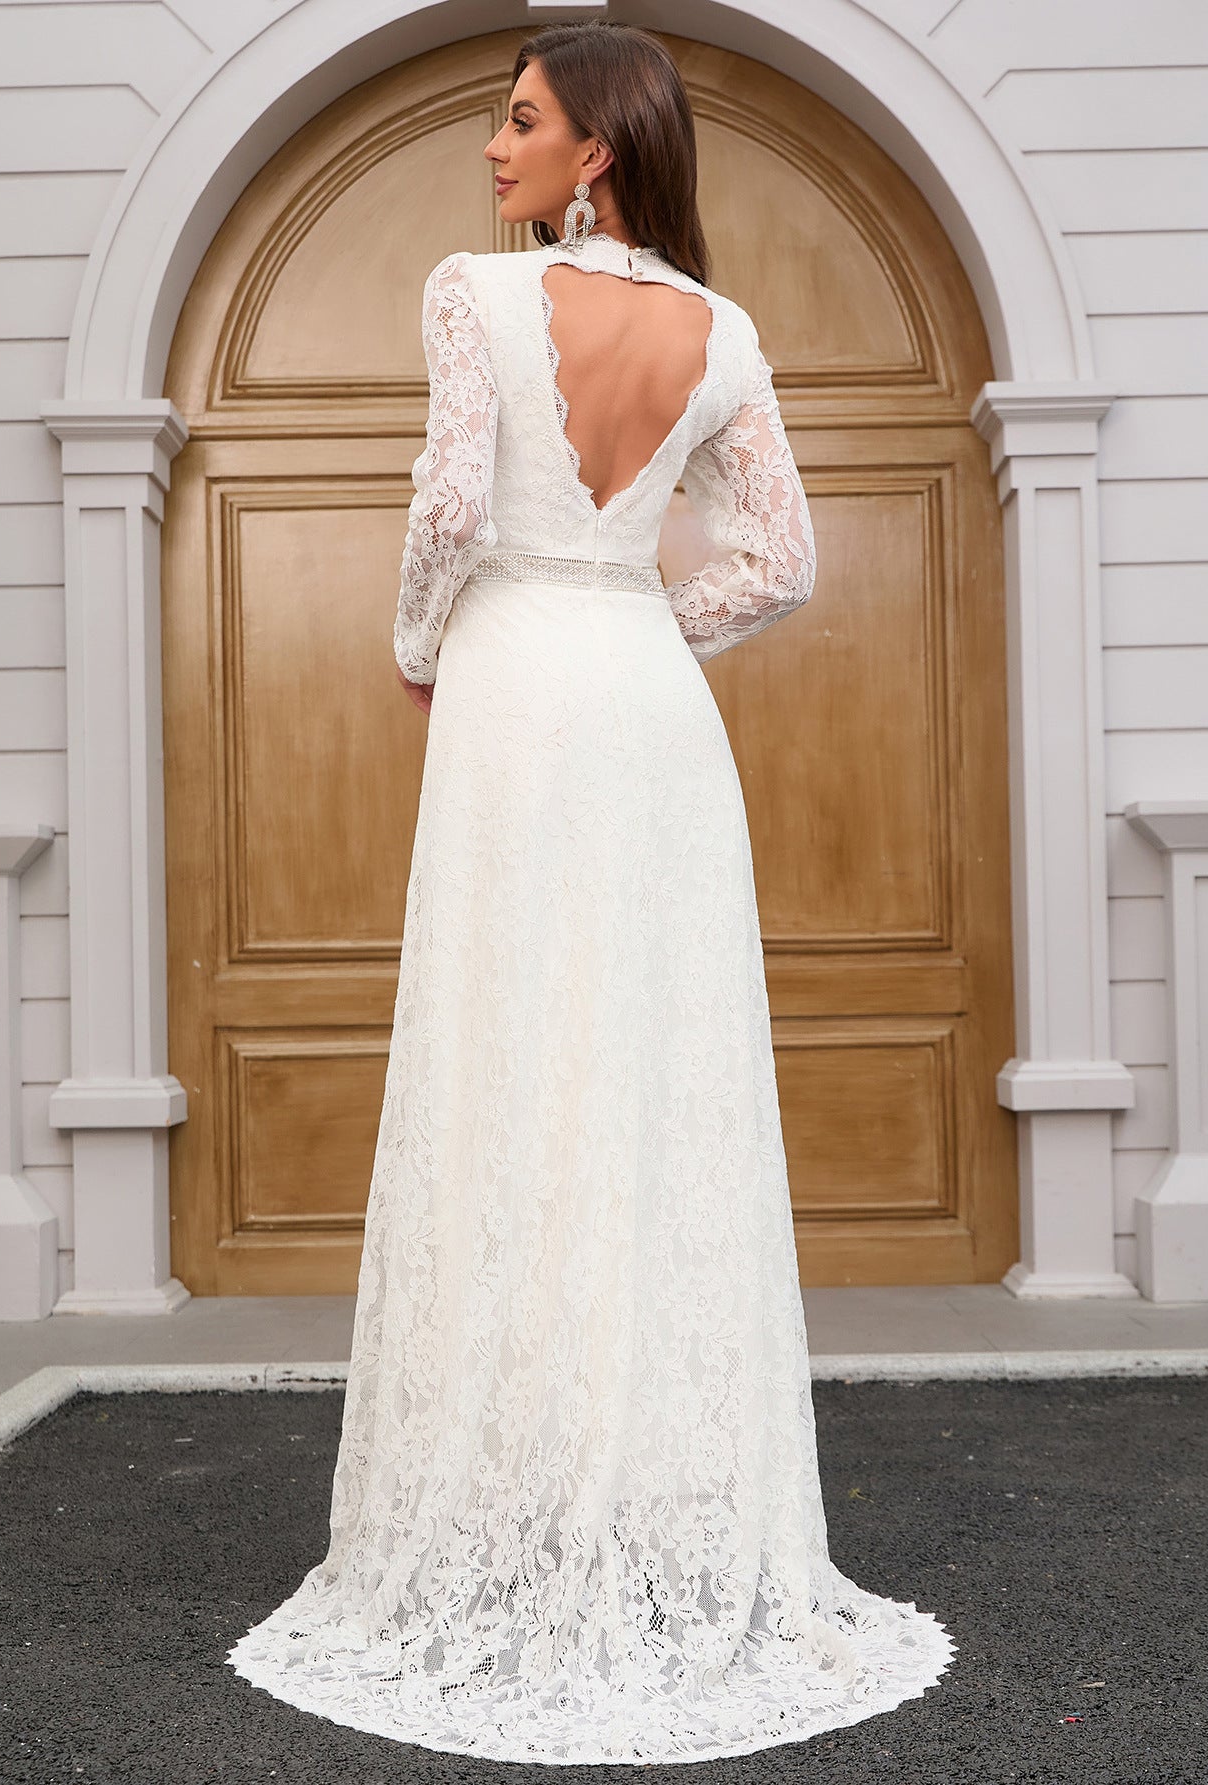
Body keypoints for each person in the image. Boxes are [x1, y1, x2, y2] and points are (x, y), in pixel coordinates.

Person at [227, 19, 955, 1764]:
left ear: (596, 151)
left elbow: (449, 508)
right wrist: (643, 621)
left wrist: (423, 648)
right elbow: (784, 560)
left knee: (508, 1075)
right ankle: (647, 1497)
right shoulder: (729, 330)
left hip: (514, 696)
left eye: (520, 119)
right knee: (648, 1085)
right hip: (647, 706)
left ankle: (506, 1492)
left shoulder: (470, 295)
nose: (494, 147)